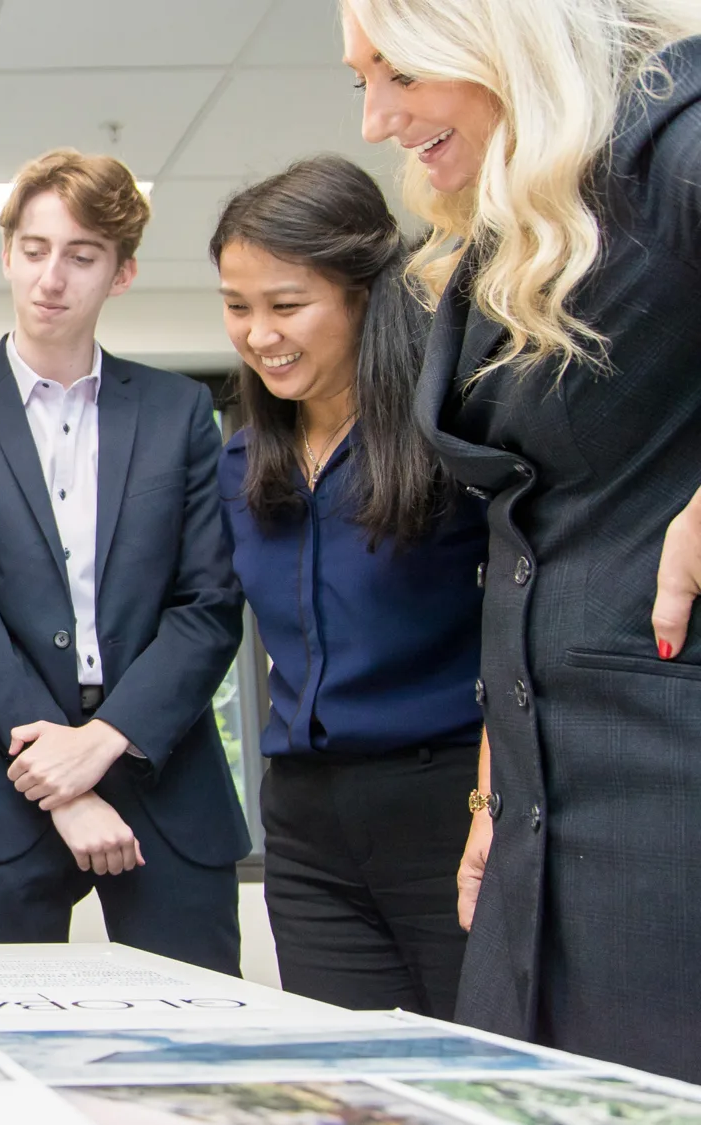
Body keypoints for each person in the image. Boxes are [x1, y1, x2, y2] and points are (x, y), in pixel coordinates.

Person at [344, 0, 701, 1079]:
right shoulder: (520, 216)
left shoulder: (678, 146)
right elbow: (538, 532)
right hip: (545, 807)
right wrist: (501, 773)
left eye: (397, 72)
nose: (373, 119)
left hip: (668, 806)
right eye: (358, 80)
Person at [0, 149, 250, 972]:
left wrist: (109, 740)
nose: (52, 277)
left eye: (82, 256)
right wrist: (64, 777)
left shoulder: (179, 411)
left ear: (121, 274)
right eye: (34, 249)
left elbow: (208, 604)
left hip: (163, 766)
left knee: (200, 1045)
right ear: (7, 253)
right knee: (8, 1040)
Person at [211, 154, 485, 1015]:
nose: (261, 335)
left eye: (287, 305)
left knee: (468, 1066)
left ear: (362, 296)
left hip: (444, 800)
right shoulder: (242, 465)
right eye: (237, 307)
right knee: (345, 1076)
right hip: (305, 822)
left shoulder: (455, 441)